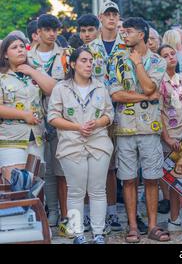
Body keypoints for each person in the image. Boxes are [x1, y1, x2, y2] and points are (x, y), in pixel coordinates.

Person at [108, 17, 168, 243]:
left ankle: (153, 225)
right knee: (128, 178)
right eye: (123, 31)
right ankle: (132, 226)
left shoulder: (157, 61)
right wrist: (146, 97)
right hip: (124, 127)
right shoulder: (116, 60)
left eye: (129, 31)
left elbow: (151, 86)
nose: (124, 34)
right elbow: (116, 94)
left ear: (142, 34)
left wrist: (139, 64)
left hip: (150, 127)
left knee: (152, 178)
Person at [48, 46, 114, 244]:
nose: (89, 64)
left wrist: (98, 123)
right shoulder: (61, 88)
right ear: (73, 64)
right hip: (71, 145)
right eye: (84, 60)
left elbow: (109, 114)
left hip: (99, 144)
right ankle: (78, 234)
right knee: (75, 191)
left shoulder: (101, 86)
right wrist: (77, 127)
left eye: (90, 60)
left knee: (97, 190)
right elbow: (52, 117)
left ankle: (98, 233)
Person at [77, 13, 123, 232]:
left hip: (111, 113)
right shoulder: (76, 55)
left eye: (90, 30)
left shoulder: (116, 46)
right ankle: (86, 215)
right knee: (85, 167)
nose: (86, 35)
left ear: (97, 30)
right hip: (83, 118)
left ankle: (112, 213)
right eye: (83, 31)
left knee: (110, 168)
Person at [27, 14, 70, 231]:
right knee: (42, 169)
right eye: (48, 30)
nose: (52, 34)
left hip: (58, 117)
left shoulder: (64, 55)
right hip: (33, 118)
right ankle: (50, 211)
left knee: (59, 168)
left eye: (55, 30)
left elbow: (57, 88)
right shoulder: (27, 55)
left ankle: (64, 215)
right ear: (39, 32)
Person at [0, 34, 55, 181]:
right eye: (14, 47)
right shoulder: (1, 76)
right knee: (15, 188)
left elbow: (52, 89)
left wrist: (32, 72)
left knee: (36, 191)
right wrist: (24, 115)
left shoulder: (35, 70)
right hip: (11, 139)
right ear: (5, 54)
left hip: (36, 138)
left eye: (22, 47)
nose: (20, 50)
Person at [158, 44, 182, 232]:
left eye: (173, 53)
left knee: (176, 180)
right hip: (171, 137)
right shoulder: (159, 81)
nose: (171, 57)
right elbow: (159, 112)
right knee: (178, 177)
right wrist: (166, 137)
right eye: (165, 55)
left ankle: (173, 220)